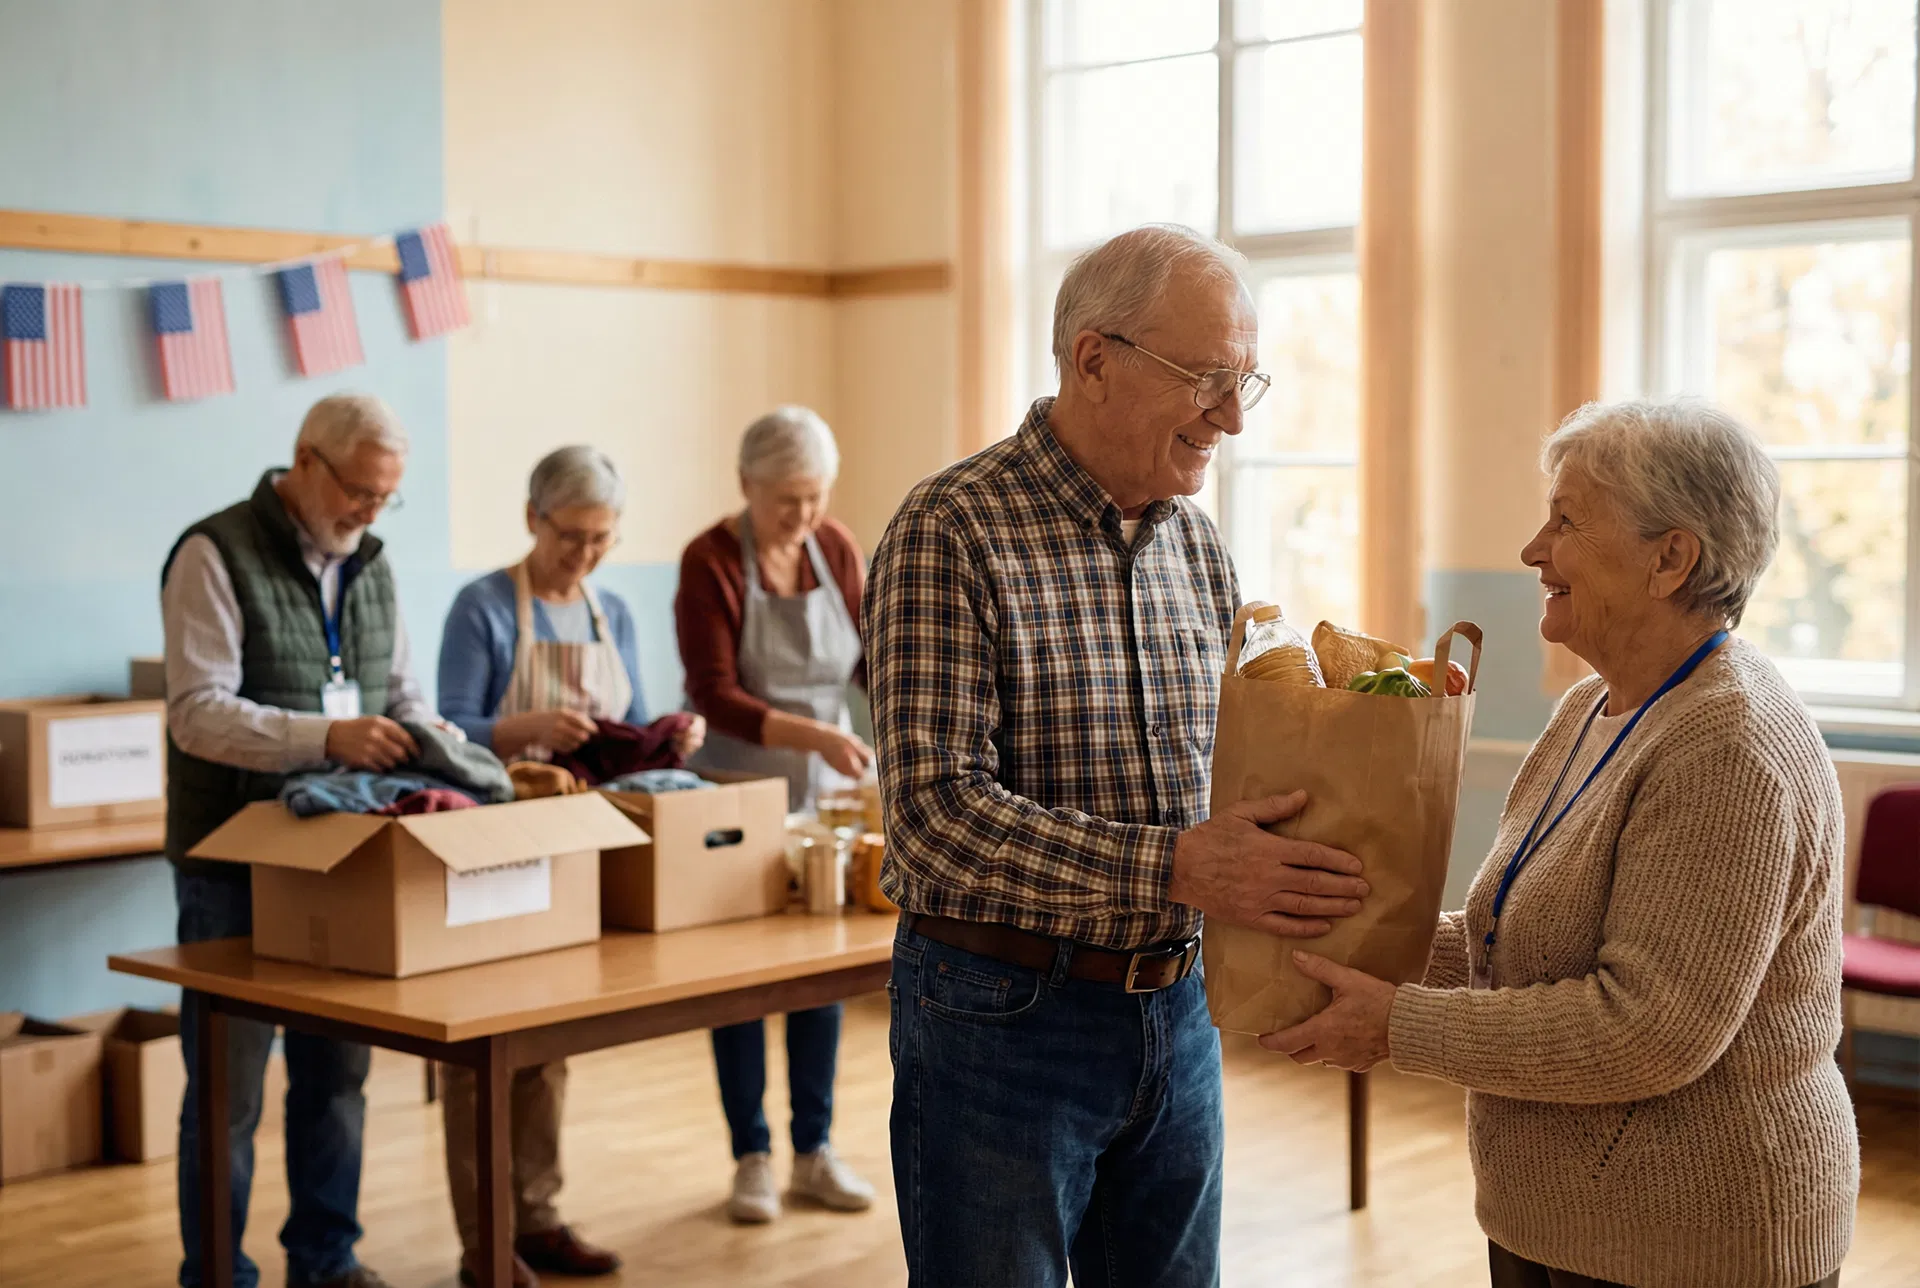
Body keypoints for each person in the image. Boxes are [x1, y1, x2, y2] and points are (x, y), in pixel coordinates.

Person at [864, 224, 1371, 1287]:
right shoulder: (951, 529)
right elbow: (935, 819)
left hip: (1180, 1011)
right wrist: (1177, 865)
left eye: (1245, 382)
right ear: (1094, 360)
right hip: (1002, 1021)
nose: (1233, 419)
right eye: (1208, 379)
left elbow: (1231, 778)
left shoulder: (1197, 544)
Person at [1263, 400, 1859, 1288]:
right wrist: (1347, 937)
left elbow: (1646, 1029)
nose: (1532, 551)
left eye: (1567, 521)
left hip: (1697, 1242)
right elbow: (1514, 941)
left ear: (1671, 559)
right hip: (1557, 1220)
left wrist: (1395, 1024)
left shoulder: (1729, 742)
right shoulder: (1591, 707)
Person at [163, 394, 431, 1288]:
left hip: (340, 860)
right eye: (358, 491)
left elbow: (403, 695)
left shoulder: (375, 564)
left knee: (336, 1081)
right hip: (232, 864)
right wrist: (325, 738)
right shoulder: (212, 552)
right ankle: (218, 1274)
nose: (369, 513)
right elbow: (198, 713)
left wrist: (438, 747)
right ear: (304, 461)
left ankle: (326, 1261)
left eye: (386, 497)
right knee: (227, 1096)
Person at [435, 445, 699, 1284]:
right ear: (532, 519)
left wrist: (670, 734)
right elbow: (446, 731)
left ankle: (539, 1218)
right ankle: (486, 1244)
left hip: (577, 846)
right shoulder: (482, 607)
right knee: (480, 1050)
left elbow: (634, 722)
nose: (584, 555)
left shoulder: (610, 611)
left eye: (600, 539)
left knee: (545, 1044)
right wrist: (522, 731)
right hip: (491, 845)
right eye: (570, 537)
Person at [673, 406, 876, 1224]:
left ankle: (814, 1150)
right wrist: (817, 734)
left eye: (816, 495)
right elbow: (713, 692)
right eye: (787, 498)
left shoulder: (836, 548)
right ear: (745, 486)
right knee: (741, 984)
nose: (804, 513)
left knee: (817, 974)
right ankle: (751, 1155)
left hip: (822, 796)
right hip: (736, 791)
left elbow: (868, 659)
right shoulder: (710, 560)